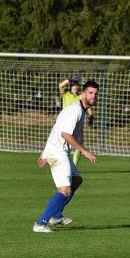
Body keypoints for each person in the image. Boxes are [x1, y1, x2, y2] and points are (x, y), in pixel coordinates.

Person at [33, 80, 99, 233]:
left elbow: (57, 128)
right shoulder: (76, 110)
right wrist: (84, 151)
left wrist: (44, 152)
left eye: (95, 94)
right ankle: (40, 223)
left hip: (57, 149)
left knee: (77, 180)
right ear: (83, 93)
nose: (93, 96)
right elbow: (65, 134)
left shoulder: (81, 109)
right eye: (90, 93)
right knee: (64, 190)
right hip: (58, 151)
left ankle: (56, 216)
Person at [58, 75, 93, 165]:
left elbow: (87, 107)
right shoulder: (65, 95)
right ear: (71, 86)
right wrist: (69, 80)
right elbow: (60, 86)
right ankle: (63, 163)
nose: (76, 87)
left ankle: (74, 166)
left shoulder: (80, 97)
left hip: (77, 125)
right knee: (64, 147)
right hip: (66, 125)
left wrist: (91, 115)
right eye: (74, 85)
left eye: (77, 85)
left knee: (79, 146)